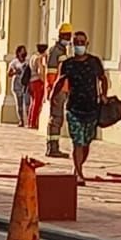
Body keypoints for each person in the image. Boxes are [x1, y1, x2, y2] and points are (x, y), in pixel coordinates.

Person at [52, 31, 107, 185]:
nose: (79, 45)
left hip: (91, 109)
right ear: (72, 44)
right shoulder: (67, 64)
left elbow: (103, 79)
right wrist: (52, 97)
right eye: (76, 42)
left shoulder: (94, 62)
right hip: (73, 109)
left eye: (82, 42)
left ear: (87, 44)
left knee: (86, 143)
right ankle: (79, 175)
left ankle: (78, 168)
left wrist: (103, 95)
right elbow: (59, 81)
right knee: (77, 141)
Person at [44, 22, 74, 158]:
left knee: (58, 118)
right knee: (56, 118)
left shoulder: (62, 51)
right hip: (57, 89)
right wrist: (53, 89)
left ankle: (53, 146)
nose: (68, 38)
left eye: (69, 36)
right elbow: (51, 72)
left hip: (62, 89)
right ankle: (52, 148)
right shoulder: (56, 51)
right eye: (66, 36)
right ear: (60, 35)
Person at [7, 45, 30, 128]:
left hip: (25, 84)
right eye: (22, 51)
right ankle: (21, 120)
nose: (24, 53)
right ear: (18, 52)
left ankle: (28, 120)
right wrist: (15, 72)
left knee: (27, 103)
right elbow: (9, 74)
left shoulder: (27, 61)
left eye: (25, 51)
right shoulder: (14, 62)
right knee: (19, 103)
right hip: (17, 84)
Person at [26, 44, 48, 129]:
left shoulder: (32, 57)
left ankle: (30, 121)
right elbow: (40, 71)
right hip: (37, 81)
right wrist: (43, 80)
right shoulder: (39, 58)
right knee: (37, 102)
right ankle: (33, 122)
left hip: (31, 81)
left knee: (33, 102)